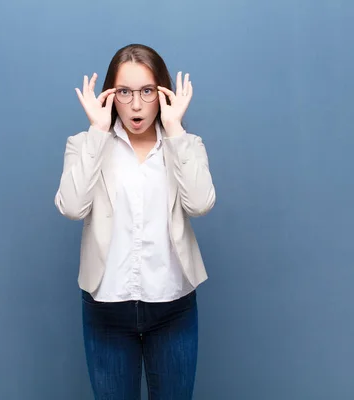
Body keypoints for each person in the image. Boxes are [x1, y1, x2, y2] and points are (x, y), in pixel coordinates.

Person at [54, 43, 216, 400]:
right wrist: (97, 133)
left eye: (147, 91)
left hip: (173, 307)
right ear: (110, 95)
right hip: (107, 311)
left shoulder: (186, 144)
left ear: (163, 93)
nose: (137, 104)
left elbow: (201, 203)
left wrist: (175, 133)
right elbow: (72, 207)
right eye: (125, 92)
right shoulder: (84, 144)